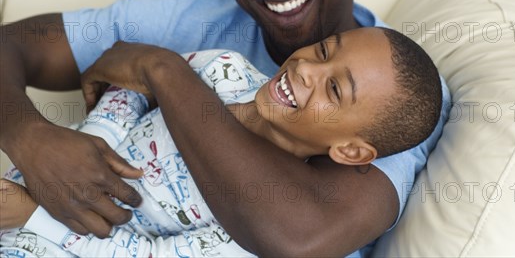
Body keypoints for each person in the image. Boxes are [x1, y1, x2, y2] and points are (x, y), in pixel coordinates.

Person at [0, 0, 452, 256]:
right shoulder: (200, 25)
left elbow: (298, 238)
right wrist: (31, 136)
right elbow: (12, 46)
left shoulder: (397, 91)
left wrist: (160, 69)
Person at [1, 27, 443, 257]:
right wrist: (86, 154)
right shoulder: (223, 70)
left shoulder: (259, 217)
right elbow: (131, 87)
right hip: (31, 179)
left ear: (349, 151)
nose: (309, 68)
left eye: (334, 90)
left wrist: (34, 213)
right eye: (325, 50)